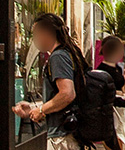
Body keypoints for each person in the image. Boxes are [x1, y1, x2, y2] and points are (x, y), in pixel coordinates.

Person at [10, 13, 88, 150]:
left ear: (47, 33)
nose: (35, 39)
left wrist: (41, 110)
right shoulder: (67, 53)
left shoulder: (58, 57)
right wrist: (34, 108)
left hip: (62, 136)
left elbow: (67, 94)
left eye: (36, 34)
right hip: (66, 133)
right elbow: (60, 96)